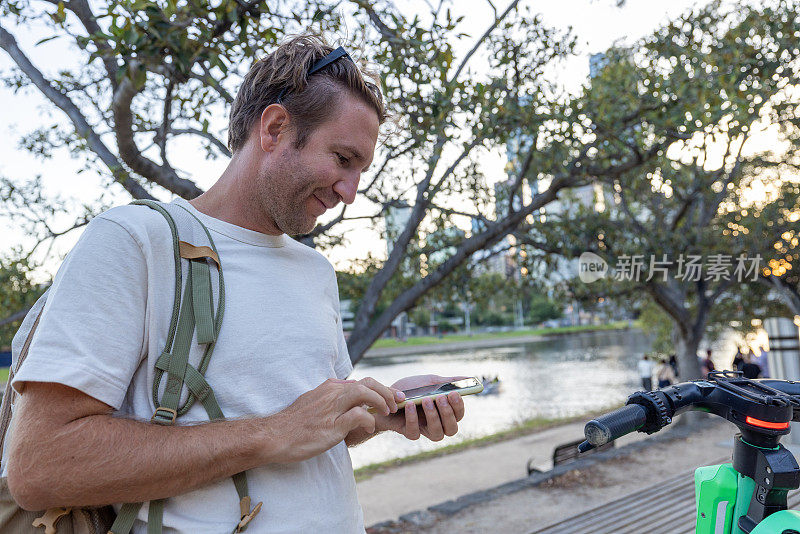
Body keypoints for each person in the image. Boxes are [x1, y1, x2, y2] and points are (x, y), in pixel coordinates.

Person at [4, 35, 468, 533]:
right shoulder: (133, 242)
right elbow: (41, 466)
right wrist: (274, 433)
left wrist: (382, 411)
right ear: (274, 128)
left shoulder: (317, 271)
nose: (350, 192)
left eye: (360, 169)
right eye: (342, 158)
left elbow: (306, 430)